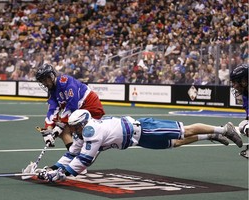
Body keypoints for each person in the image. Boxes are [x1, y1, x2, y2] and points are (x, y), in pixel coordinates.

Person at [36, 109, 243, 182]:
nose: (71, 130)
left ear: (80, 124)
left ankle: (224, 130)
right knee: (175, 143)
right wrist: (54, 168)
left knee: (185, 130)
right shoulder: (83, 132)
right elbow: (72, 152)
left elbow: (84, 160)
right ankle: (209, 137)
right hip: (138, 138)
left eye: (73, 126)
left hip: (143, 129)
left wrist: (62, 174)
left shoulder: (90, 131)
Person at [35, 63, 105, 150]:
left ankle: (75, 155)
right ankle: (74, 154)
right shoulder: (52, 91)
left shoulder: (66, 81)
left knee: (64, 130)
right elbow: (52, 111)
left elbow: (73, 104)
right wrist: (49, 130)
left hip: (91, 107)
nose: (44, 83)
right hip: (80, 110)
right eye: (42, 81)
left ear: (51, 76)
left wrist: (61, 125)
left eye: (45, 80)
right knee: (62, 130)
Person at [230, 63, 249, 159]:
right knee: (244, 126)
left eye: (234, 82)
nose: (233, 86)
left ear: (244, 81)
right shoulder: (246, 95)